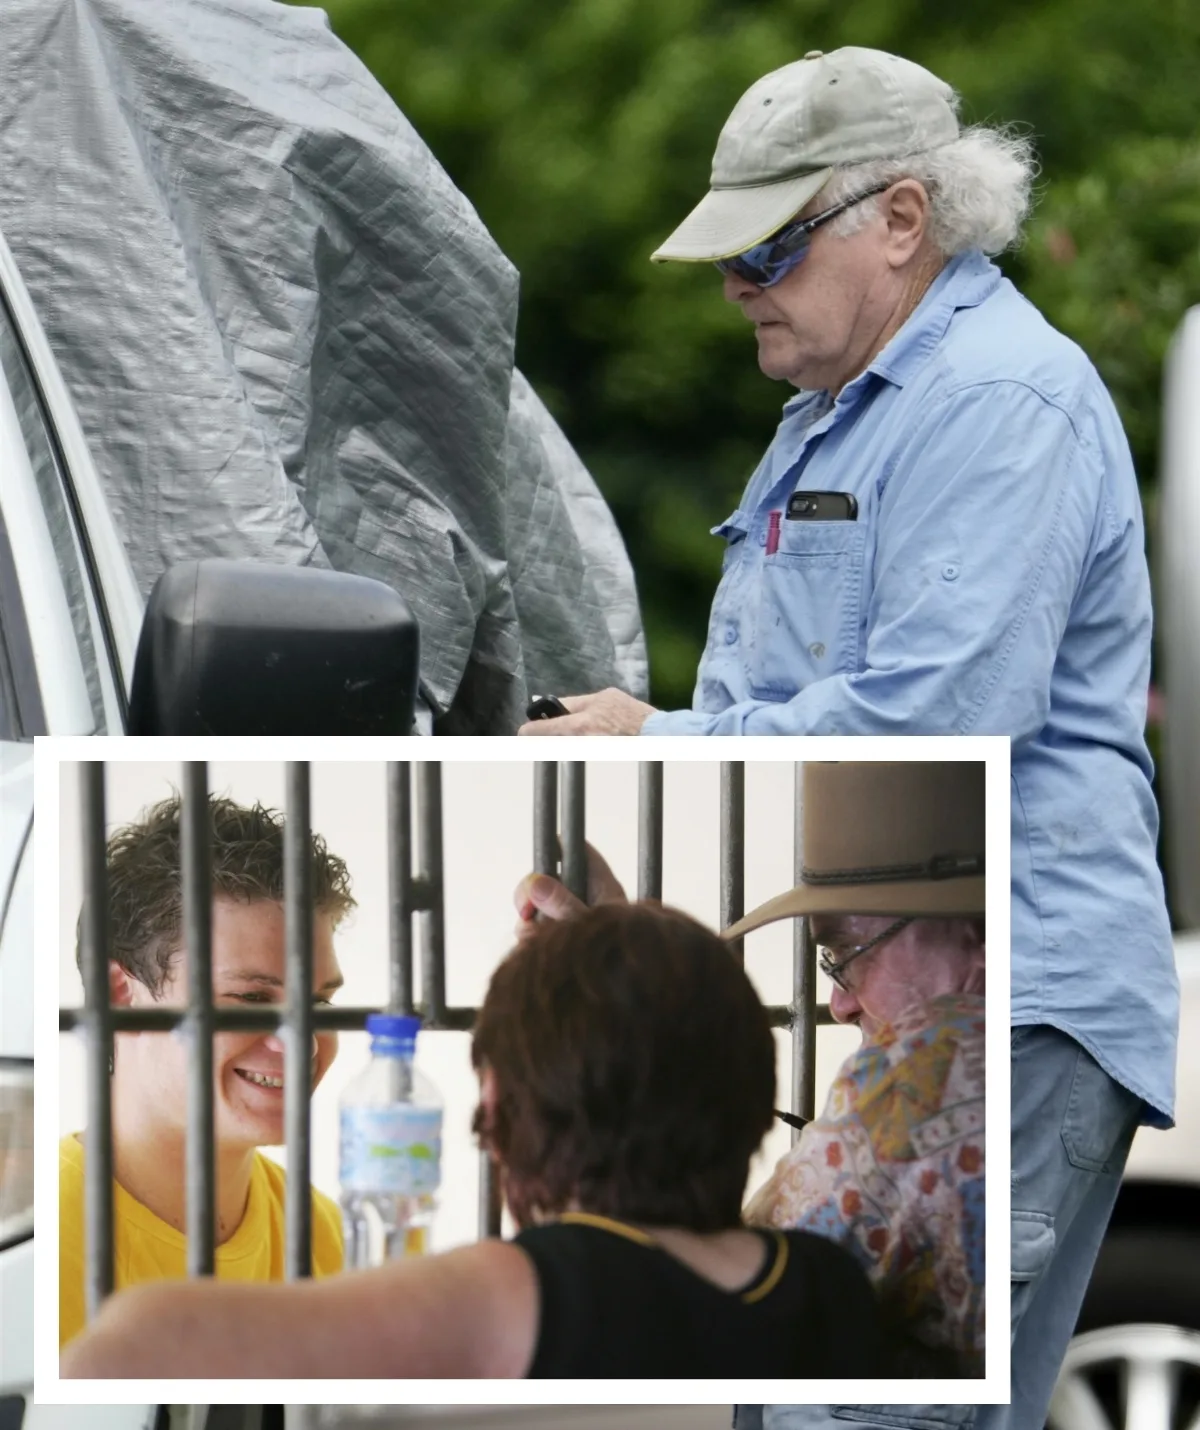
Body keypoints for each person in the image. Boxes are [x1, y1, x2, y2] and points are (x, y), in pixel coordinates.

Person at [513, 44, 1179, 1430]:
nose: (736, 287)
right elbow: (790, 721)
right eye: (727, 256)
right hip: (930, 991)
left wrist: (660, 737)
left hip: (1009, 996)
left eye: (767, 247)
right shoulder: (842, 411)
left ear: (900, 218)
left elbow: (946, 718)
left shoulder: (995, 403)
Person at [61, 901, 890, 1379]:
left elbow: (134, 1343)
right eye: (250, 996)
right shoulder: (830, 1285)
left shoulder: (528, 1289)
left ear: (503, 1103)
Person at [517, 760, 986, 1379]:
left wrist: (614, 1025)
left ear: (976, 937)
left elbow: (715, 1299)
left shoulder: (928, 1067)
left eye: (846, 954)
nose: (840, 1002)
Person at [60, 794, 351, 1350]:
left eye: (320, 1002)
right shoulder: (46, 1242)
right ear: (120, 995)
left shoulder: (333, 1238)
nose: (302, 1041)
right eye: (249, 997)